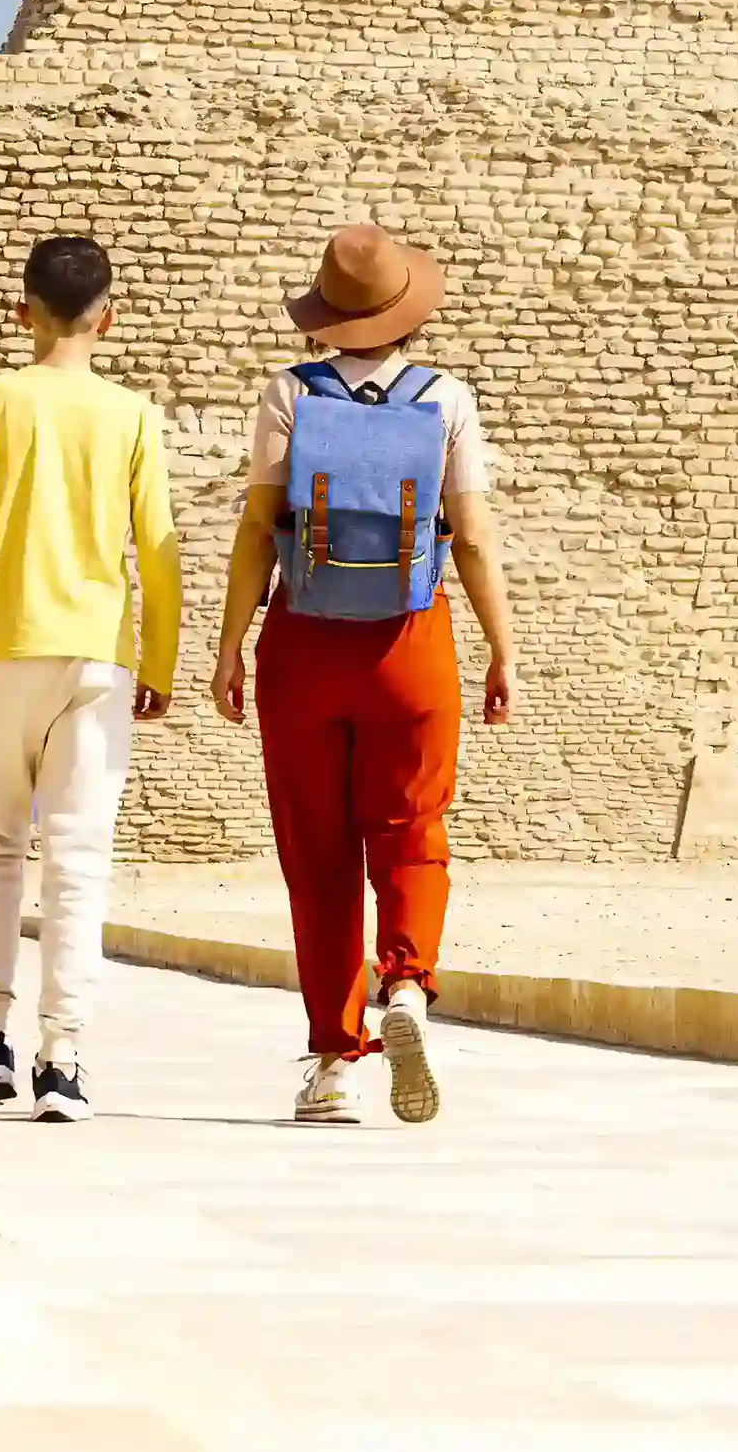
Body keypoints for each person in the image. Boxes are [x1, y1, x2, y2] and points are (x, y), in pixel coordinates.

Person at [210, 223, 518, 1125]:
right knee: (412, 830)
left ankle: (334, 1060)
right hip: (410, 644)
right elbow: (473, 537)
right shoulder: (446, 398)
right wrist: (501, 647)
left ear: (326, 315)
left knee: (318, 854)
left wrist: (229, 645)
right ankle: (408, 981)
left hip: (304, 643)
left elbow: (256, 530)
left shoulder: (288, 393)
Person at [0, 232, 180, 1123]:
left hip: (0, 647)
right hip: (97, 655)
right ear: (109, 317)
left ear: (20, 309)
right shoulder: (132, 414)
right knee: (78, 857)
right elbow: (157, 550)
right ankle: (62, 1059)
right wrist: (158, 660)